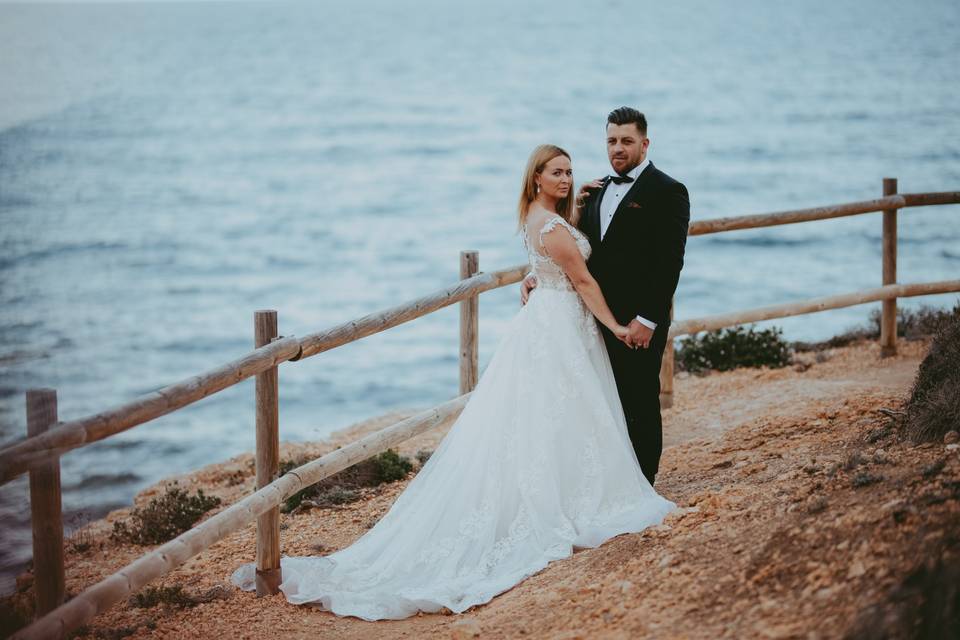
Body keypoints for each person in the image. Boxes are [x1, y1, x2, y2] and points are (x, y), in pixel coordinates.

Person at [231, 144, 675, 621]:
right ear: (537, 179)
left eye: (570, 171)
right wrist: (614, 326)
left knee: (553, 414)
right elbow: (584, 282)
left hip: (551, 320)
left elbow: (549, 257)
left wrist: (565, 226)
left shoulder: (537, 218)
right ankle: (560, 503)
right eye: (557, 172)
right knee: (561, 409)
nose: (566, 179)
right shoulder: (553, 227)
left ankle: (562, 491)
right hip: (563, 323)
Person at [522, 107, 690, 486]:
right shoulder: (595, 192)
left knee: (640, 402)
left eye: (627, 141)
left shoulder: (668, 191)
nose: (618, 148)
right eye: (612, 140)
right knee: (600, 404)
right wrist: (538, 275)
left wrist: (648, 320)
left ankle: (643, 485)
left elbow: (669, 265)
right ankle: (611, 484)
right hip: (593, 320)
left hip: (635, 324)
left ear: (644, 144)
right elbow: (574, 250)